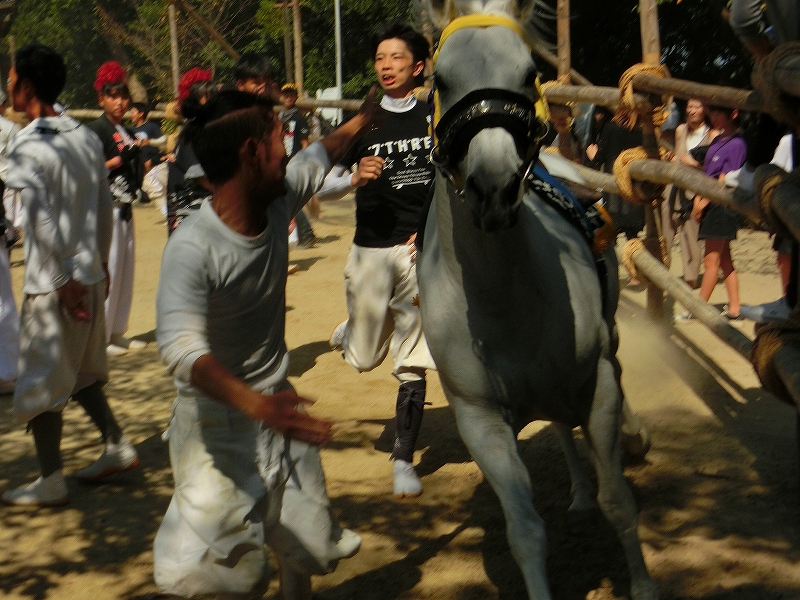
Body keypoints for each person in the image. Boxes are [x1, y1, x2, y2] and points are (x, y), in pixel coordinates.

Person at [153, 88, 376, 600]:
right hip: (216, 431)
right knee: (216, 578)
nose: (287, 151)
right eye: (279, 140)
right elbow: (182, 351)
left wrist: (365, 117)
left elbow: (320, 154)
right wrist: (258, 406)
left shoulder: (277, 198)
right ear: (252, 153)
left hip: (279, 410)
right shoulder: (192, 248)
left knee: (308, 548)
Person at [1, 44, 139, 507]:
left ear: (26, 87)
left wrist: (62, 279)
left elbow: (38, 215)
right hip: (89, 274)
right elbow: (103, 204)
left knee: (42, 382)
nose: (8, 86)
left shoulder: (29, 143)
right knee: (81, 371)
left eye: (12, 79)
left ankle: (50, 480)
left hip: (54, 283)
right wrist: (99, 264)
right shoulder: (82, 136)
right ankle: (116, 444)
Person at [317, 21, 436, 498]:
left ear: (418, 66)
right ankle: (352, 330)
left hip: (417, 252)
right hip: (370, 251)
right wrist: (352, 179)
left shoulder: (433, 119)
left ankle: (403, 458)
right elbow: (316, 184)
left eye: (396, 57)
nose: (386, 66)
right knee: (364, 358)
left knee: (413, 360)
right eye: (380, 58)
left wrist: (430, 231)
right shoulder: (363, 122)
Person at [87, 61, 146, 356]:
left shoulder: (125, 130)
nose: (120, 102)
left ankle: (117, 330)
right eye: (112, 96)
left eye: (123, 96)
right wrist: (118, 160)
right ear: (101, 99)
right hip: (107, 207)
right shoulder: (95, 130)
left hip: (126, 206)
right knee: (109, 268)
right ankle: (102, 335)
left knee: (125, 269)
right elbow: (90, 168)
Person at [676, 105, 748, 321]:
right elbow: (708, 172)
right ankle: (735, 308)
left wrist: (701, 203)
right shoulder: (717, 140)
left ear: (733, 113)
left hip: (721, 206)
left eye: (719, 113)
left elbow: (725, 179)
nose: (714, 118)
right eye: (713, 113)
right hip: (710, 203)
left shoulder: (737, 143)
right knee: (724, 259)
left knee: (710, 261)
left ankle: (697, 308)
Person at [663, 99, 718, 289]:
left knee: (691, 231)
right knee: (666, 227)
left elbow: (714, 167)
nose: (692, 110)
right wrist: (672, 159)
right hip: (674, 185)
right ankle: (661, 269)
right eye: (690, 106)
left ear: (705, 109)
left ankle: (691, 276)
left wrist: (693, 164)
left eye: (697, 106)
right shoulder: (681, 130)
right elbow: (678, 155)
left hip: (696, 187)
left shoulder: (712, 134)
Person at [165, 67, 215, 234]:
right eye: (209, 97)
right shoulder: (195, 130)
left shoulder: (196, 127)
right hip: (190, 214)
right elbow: (199, 175)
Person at [584, 104, 645, 243]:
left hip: (614, 190)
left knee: (610, 235)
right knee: (632, 238)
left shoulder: (611, 128)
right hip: (633, 192)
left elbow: (600, 158)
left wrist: (592, 154)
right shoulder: (641, 129)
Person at [280, 83, 317, 249]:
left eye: (291, 95)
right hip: (284, 161)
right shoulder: (282, 116)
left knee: (291, 198)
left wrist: (304, 161)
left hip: (295, 161)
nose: (288, 97)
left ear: (295, 97)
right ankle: (303, 233)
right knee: (289, 198)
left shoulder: (298, 118)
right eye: (285, 94)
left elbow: (304, 142)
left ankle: (307, 233)